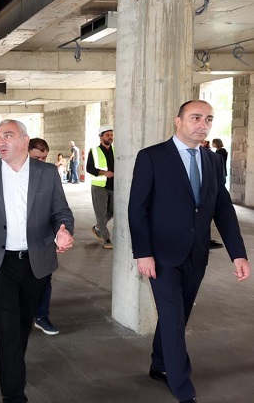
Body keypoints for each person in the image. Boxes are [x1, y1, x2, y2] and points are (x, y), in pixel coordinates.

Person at [128, 100, 250, 403]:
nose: (202, 124)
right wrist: (143, 253)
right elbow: (137, 208)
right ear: (178, 121)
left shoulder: (213, 160)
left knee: (177, 316)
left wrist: (238, 253)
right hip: (161, 256)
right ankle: (182, 386)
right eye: (195, 117)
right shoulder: (152, 157)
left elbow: (223, 209)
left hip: (196, 254)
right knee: (172, 318)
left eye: (208, 119)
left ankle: (160, 364)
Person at [0, 120, 74, 403]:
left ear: (25, 141)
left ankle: (13, 367)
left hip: (36, 262)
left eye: (8, 136)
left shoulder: (47, 173)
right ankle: (13, 394)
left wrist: (63, 231)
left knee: (23, 323)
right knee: (8, 326)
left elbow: (62, 211)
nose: (1, 141)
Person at [27, 137, 60, 336]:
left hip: (44, 238)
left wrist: (62, 231)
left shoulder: (50, 174)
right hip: (19, 243)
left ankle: (41, 316)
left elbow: (59, 208)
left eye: (44, 158)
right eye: (36, 158)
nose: (41, 162)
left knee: (44, 279)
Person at [87, 125, 115, 249]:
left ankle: (98, 227)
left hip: (113, 185)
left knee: (114, 210)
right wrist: (104, 173)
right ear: (101, 137)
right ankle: (106, 238)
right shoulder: (94, 151)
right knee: (101, 213)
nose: (110, 137)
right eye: (107, 135)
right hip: (99, 186)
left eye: (111, 135)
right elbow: (89, 168)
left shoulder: (115, 151)